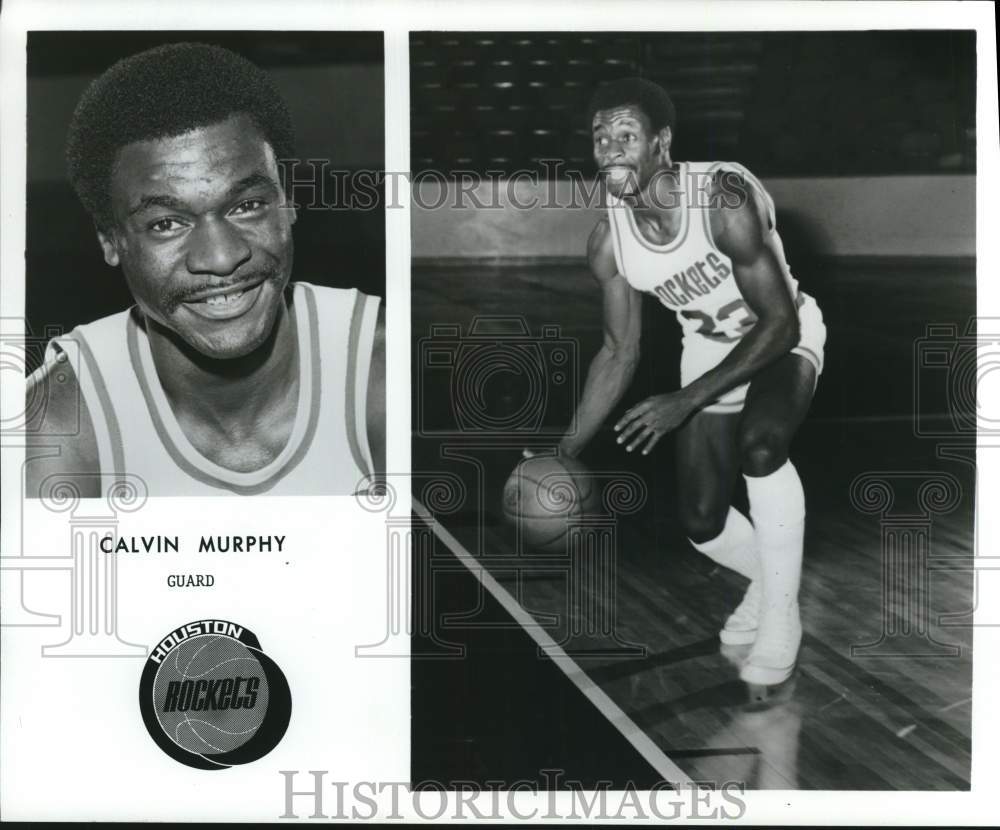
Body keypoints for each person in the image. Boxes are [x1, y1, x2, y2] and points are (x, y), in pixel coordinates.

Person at [25, 43, 384, 498]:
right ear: (111, 240)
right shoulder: (58, 421)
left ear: (287, 201)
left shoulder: (377, 366)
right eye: (166, 224)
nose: (220, 258)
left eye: (247, 205)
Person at [558, 78, 826, 685]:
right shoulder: (611, 242)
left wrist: (683, 401)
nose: (610, 150)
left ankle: (782, 614)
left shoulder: (722, 198)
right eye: (600, 138)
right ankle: (768, 580)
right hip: (708, 349)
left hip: (781, 337)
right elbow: (618, 350)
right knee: (702, 523)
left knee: (762, 446)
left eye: (626, 135)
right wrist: (564, 449)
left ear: (662, 143)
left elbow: (779, 324)